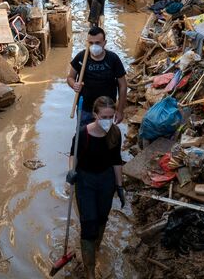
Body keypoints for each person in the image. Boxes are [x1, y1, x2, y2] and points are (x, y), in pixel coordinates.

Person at [66, 96, 126, 279]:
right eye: (104, 116)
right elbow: (73, 155)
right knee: (89, 222)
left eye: (111, 116)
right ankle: (90, 270)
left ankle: (96, 247)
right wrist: (70, 173)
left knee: (102, 218)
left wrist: (119, 186)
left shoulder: (115, 133)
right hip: (85, 181)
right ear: (95, 115)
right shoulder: (83, 134)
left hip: (106, 180)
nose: (108, 120)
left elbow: (116, 161)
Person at [67, 26, 127, 124]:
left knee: (104, 136)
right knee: (84, 135)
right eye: (91, 43)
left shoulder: (113, 59)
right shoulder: (81, 57)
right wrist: (74, 84)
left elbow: (123, 85)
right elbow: (70, 77)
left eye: (98, 43)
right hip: (85, 108)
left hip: (106, 110)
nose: (94, 46)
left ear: (105, 42)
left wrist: (120, 110)